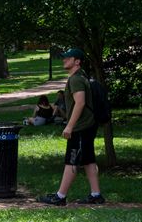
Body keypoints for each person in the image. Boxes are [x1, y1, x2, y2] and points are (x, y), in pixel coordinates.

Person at [38, 48, 105, 206]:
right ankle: (96, 195)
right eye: (64, 58)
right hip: (88, 125)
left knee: (72, 160)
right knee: (88, 160)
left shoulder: (75, 79)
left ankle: (60, 197)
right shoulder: (81, 76)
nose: (64, 60)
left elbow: (80, 103)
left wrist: (69, 126)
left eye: (68, 58)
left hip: (81, 127)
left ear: (77, 61)